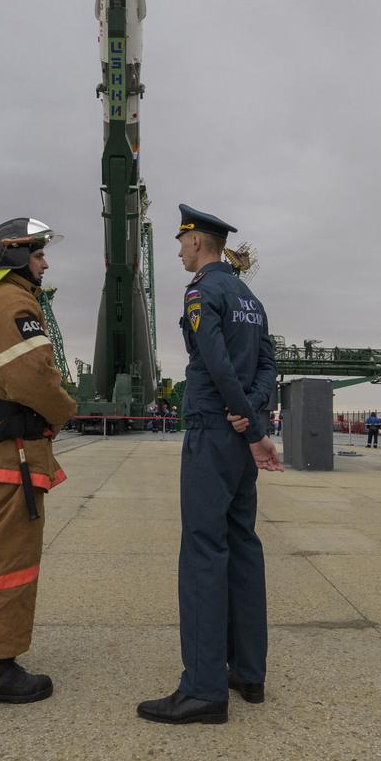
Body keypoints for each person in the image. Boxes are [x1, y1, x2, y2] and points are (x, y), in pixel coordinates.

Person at [138, 205, 280, 726]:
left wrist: (243, 419)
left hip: (212, 433)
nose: (178, 250)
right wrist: (256, 423)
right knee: (243, 545)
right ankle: (248, 671)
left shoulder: (202, 291)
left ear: (198, 242)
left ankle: (202, 688)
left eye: (182, 242)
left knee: (202, 550)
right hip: (241, 438)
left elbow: (215, 363)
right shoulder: (250, 299)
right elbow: (268, 365)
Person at [0, 217, 76, 708]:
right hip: (14, 452)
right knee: (8, 560)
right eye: (40, 254)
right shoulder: (17, 303)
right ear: (16, 255)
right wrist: (66, 410)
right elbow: (34, 378)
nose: (45, 263)